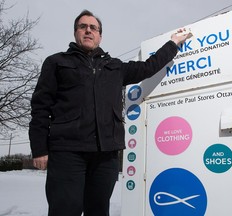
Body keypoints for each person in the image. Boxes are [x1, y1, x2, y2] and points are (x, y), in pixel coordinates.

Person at [29, 9, 191, 216]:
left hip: (106, 156)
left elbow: (148, 67)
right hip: (67, 152)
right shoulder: (56, 62)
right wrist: (39, 148)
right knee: (65, 210)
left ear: (100, 35)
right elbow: (40, 106)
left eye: (93, 28)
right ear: (75, 32)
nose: (88, 31)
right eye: (83, 27)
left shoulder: (114, 67)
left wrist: (173, 43)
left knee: (98, 211)